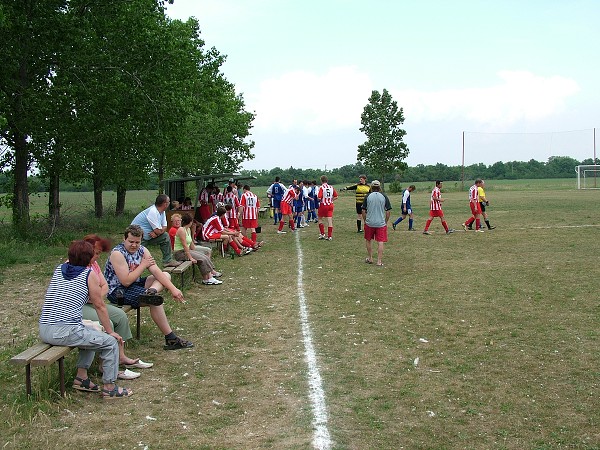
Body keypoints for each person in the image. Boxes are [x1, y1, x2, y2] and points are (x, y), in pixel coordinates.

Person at [39, 240, 133, 399]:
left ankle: (81, 377)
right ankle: (110, 388)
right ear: (89, 259)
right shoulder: (89, 275)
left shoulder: (58, 269)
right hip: (65, 331)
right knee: (110, 343)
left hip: (45, 328)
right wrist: (110, 332)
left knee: (93, 330)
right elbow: (99, 305)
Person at [104, 225, 194, 350]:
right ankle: (171, 338)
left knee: (165, 275)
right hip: (118, 290)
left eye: (137, 242)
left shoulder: (143, 250)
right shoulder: (118, 254)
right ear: (124, 239)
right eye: (131, 242)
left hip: (134, 283)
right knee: (155, 301)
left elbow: (156, 271)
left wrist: (173, 289)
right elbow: (125, 281)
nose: (134, 245)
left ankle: (151, 292)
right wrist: (143, 265)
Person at [81, 235, 153, 380]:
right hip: (81, 305)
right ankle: (106, 366)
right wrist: (95, 296)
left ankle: (120, 357)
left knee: (120, 316)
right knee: (108, 323)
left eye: (99, 253)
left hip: (94, 301)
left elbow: (105, 285)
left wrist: (97, 295)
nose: (97, 256)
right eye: (95, 253)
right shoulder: (78, 265)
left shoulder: (93, 265)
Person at [131, 194, 180, 268]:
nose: (169, 203)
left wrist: (157, 233)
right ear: (165, 204)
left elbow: (164, 227)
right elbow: (158, 231)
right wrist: (158, 232)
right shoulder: (153, 211)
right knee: (133, 258)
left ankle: (167, 261)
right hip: (137, 238)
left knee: (165, 236)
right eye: (168, 202)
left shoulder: (162, 212)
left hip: (148, 237)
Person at [174, 214, 223, 285]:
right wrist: (190, 257)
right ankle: (206, 279)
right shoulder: (181, 230)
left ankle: (210, 276)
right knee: (202, 259)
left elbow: (190, 243)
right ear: (190, 222)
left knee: (204, 256)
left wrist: (196, 251)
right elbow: (184, 245)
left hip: (186, 251)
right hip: (180, 253)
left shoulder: (188, 229)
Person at [362, 180, 392, 266]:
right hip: (381, 223)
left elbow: (363, 210)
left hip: (369, 223)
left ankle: (370, 258)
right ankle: (379, 261)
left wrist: (365, 220)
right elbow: (388, 211)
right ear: (379, 187)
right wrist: (385, 221)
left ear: (371, 187)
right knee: (380, 241)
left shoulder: (367, 196)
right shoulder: (384, 196)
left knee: (368, 240)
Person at [317, 175, 338, 240]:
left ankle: (322, 234)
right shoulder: (331, 187)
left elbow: (319, 197)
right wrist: (331, 200)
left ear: (321, 181)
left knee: (320, 218)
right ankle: (329, 236)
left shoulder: (321, 187)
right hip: (330, 205)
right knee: (329, 220)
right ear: (327, 180)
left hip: (323, 205)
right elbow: (336, 196)